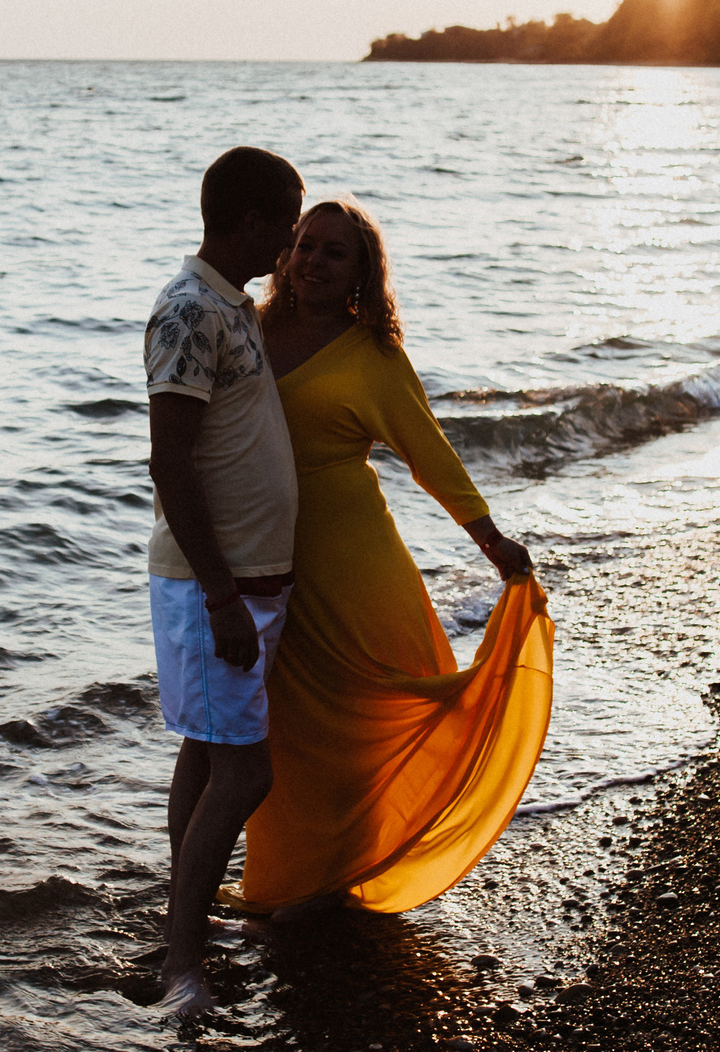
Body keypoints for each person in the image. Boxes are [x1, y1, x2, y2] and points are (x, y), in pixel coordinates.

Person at [234, 196, 553, 922]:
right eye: (305, 244)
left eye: (333, 251)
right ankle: (293, 879)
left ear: (361, 272)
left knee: (366, 713)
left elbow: (429, 454)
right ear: (285, 251)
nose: (313, 260)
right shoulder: (246, 328)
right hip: (267, 559)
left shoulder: (371, 353)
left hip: (353, 562)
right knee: (285, 729)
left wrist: (491, 539)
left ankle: (353, 869)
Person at [142, 146, 303, 1017]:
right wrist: (220, 594)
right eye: (284, 220)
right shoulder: (187, 311)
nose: (289, 239)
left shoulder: (232, 305)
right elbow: (170, 459)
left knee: (207, 754)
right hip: (218, 586)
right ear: (246, 218)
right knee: (245, 775)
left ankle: (186, 921)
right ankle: (180, 963)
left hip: (248, 581)